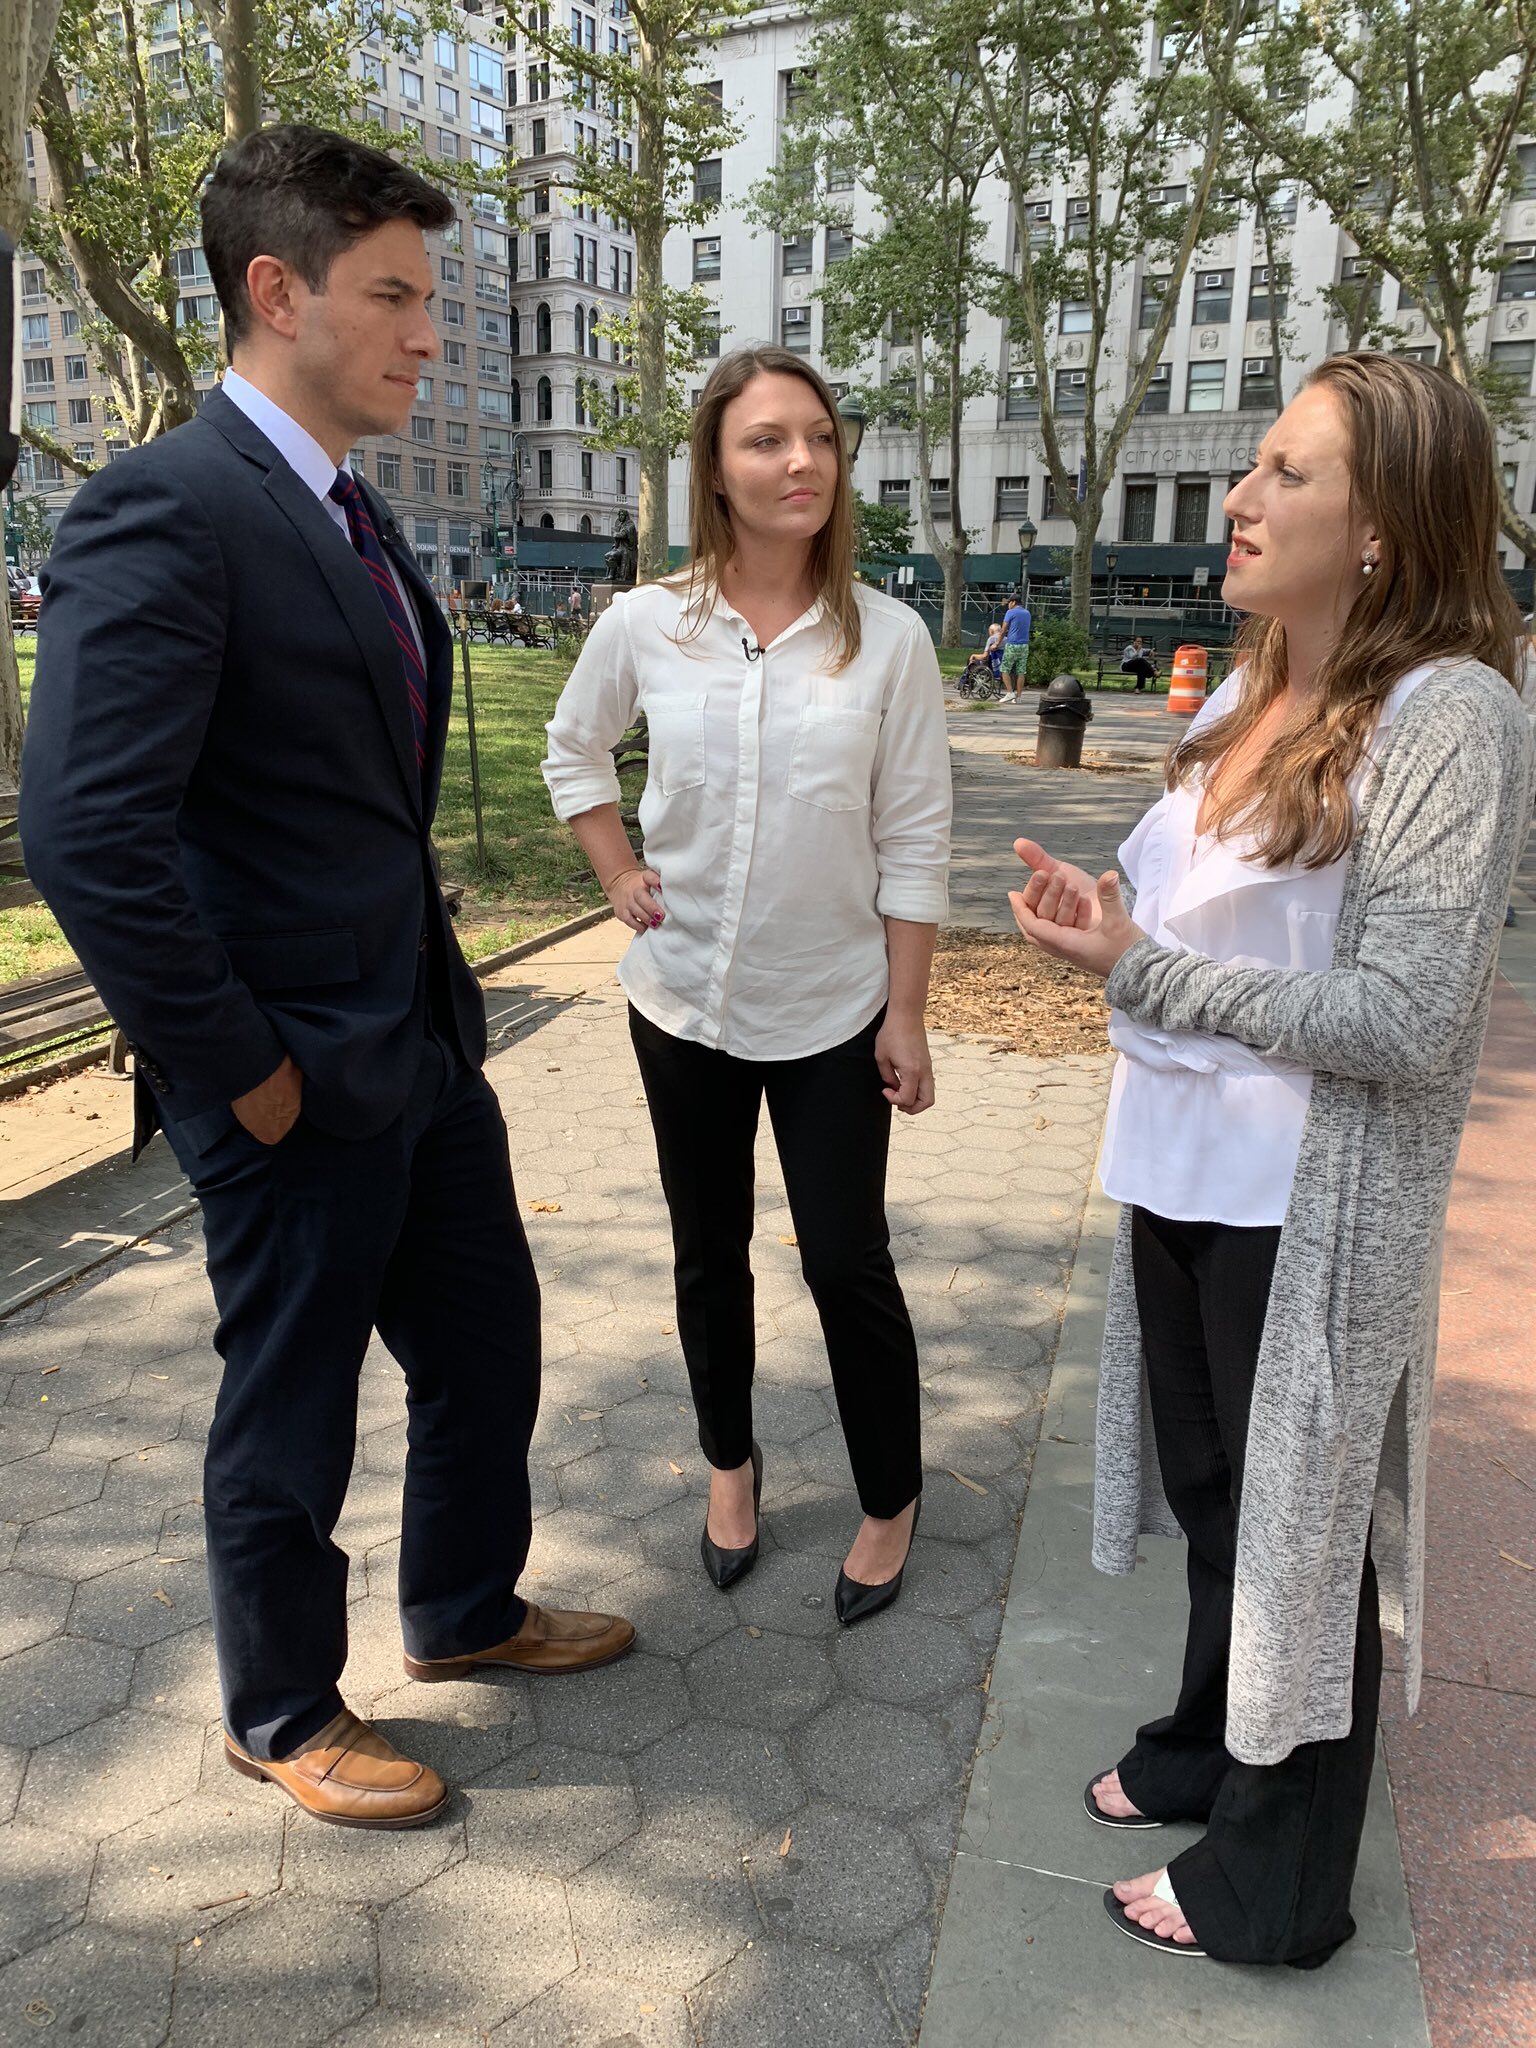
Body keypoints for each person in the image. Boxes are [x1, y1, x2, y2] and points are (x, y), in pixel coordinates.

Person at [20, 125, 634, 1832]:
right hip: (287, 1070)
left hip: (418, 1041)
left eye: (429, 300)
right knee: (290, 1406)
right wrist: (243, 1069)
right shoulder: (166, 505)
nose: (427, 335)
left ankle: (464, 1605)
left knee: (486, 1345)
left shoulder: (344, 507)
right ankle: (281, 1707)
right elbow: (87, 836)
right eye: (394, 296)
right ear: (278, 293)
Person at [1007, 353, 1533, 1966]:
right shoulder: (1248, 688)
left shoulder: (1450, 714)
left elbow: (1408, 1016)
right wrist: (1109, 926)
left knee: (1301, 1537)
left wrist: (1148, 974)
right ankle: (1202, 1741)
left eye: (1287, 472)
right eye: (1256, 464)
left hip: (1306, 1202)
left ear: (1384, 523)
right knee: (1219, 1499)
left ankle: (1281, 1880)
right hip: (1179, 1166)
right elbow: (1205, 922)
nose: (1239, 498)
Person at [542, 345, 951, 1625]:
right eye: (768, 439)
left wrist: (907, 1010)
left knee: (846, 1258)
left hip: (834, 1008)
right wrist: (616, 868)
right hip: (682, 1002)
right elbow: (574, 747)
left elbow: (916, 835)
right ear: (716, 470)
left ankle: (891, 1495)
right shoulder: (646, 623)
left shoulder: (889, 639)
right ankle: (731, 1465)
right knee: (706, 1250)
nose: (802, 461)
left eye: (820, 437)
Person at [999, 591, 1032, 701]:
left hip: (1013, 644)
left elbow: (1003, 630)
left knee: (1005, 669)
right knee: (1021, 671)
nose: (1008, 605)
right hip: (1024, 645)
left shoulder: (1010, 612)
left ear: (1013, 602)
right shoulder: (1027, 613)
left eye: (1009, 602)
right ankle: (1019, 697)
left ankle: (1010, 692)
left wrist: (997, 643)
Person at [983, 613, 1006, 684]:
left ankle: (966, 681)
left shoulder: (991, 639)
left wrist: (973, 656)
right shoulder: (1007, 639)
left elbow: (985, 656)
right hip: (1003, 662)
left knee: (972, 660)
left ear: (991, 631)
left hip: (992, 663)